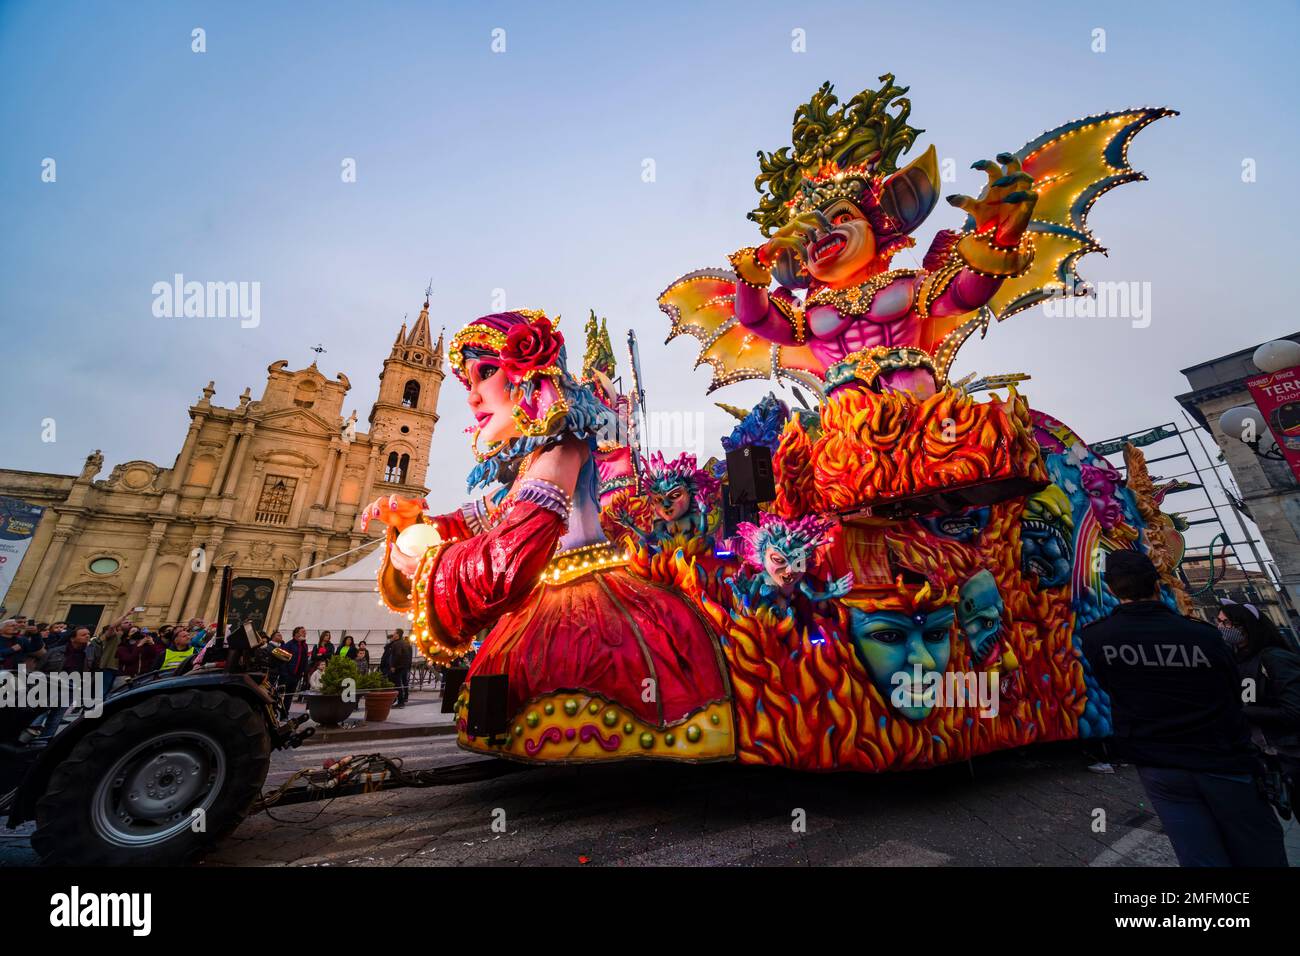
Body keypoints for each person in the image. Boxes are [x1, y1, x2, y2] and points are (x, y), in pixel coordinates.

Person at [364, 309, 727, 751]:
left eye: (486, 373)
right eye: (469, 383)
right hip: (550, 597)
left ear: (529, 378)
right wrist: (415, 525)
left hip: (593, 601)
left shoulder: (564, 448)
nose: (474, 398)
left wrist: (429, 564)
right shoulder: (527, 466)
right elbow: (470, 525)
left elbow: (511, 561)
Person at [1081, 551, 1287, 867]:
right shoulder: (1203, 635)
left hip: (1158, 763)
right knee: (1258, 850)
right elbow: (1232, 693)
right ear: (1157, 581)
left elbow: (1111, 687)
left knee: (1197, 854)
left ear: (1110, 588)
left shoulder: (1096, 636)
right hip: (1222, 759)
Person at [1218, 601, 1300, 796]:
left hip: (1293, 750)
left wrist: (1243, 712)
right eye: (1219, 621)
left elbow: (1294, 710)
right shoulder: (1241, 660)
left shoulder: (1275, 658)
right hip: (1275, 753)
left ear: (1245, 626)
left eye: (1226, 623)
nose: (1220, 627)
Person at [278, 626, 312, 718]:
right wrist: (285, 673)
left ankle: (284, 715)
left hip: (297, 675)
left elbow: (305, 660)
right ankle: (275, 714)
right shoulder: (289, 644)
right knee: (281, 696)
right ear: (296, 633)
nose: (305, 633)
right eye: (303, 632)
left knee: (289, 696)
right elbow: (283, 660)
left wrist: (305, 672)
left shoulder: (305, 645)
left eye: (305, 632)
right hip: (287, 674)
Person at [380, 630, 412, 707]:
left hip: (398, 667)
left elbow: (397, 655)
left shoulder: (397, 644)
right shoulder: (405, 643)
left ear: (397, 634)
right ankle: (399, 700)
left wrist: (393, 666)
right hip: (403, 667)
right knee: (399, 683)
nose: (393, 635)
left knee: (396, 684)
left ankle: (400, 701)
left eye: (394, 633)